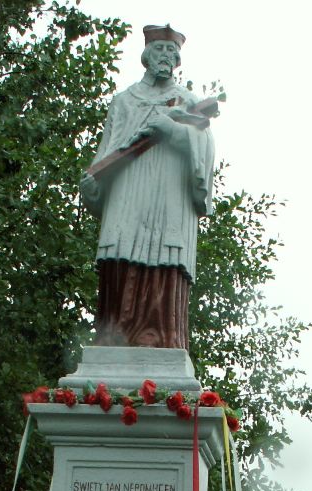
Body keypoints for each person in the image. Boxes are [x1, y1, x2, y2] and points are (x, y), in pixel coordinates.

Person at [80, 24, 215, 349]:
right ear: (146, 55)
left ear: (178, 60)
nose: (165, 57)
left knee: (163, 254)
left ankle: (158, 337)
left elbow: (206, 145)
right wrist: (92, 183)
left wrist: (172, 130)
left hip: (167, 195)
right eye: (159, 50)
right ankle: (114, 337)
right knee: (120, 249)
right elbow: (107, 149)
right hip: (126, 192)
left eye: (171, 51)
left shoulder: (186, 102)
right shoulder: (124, 101)